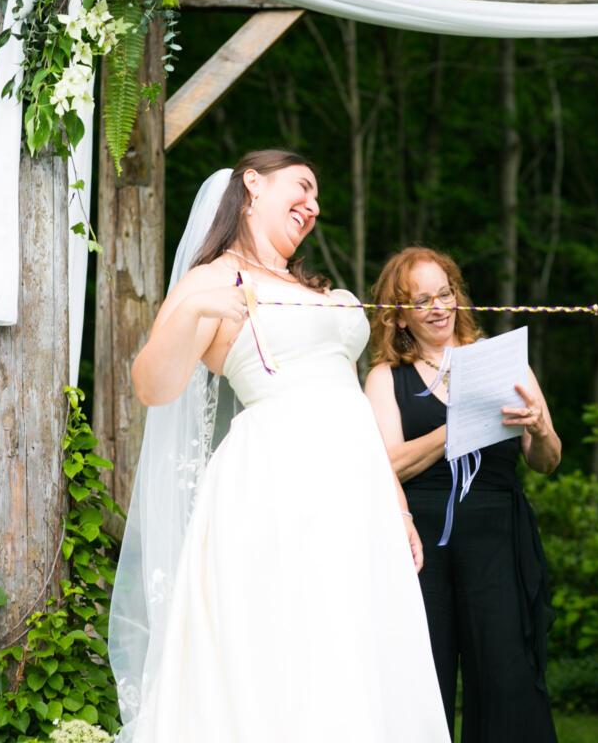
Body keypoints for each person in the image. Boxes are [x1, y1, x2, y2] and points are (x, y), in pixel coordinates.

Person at [107, 151, 449, 743]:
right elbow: (151, 386)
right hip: (277, 479)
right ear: (252, 185)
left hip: (356, 484)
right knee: (292, 640)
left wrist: (396, 503)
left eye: (318, 199)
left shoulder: (309, 287)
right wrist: (193, 309)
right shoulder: (213, 278)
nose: (314, 206)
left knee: (358, 641)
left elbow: (351, 403)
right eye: (303, 187)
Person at [363, 247, 562, 742]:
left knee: (506, 676)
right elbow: (382, 464)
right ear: (399, 315)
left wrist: (538, 429)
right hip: (420, 547)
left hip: (498, 539)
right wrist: (452, 431)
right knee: (421, 679)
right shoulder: (387, 378)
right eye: (421, 299)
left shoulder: (500, 362)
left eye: (444, 293)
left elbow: (548, 460)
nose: (437, 307)